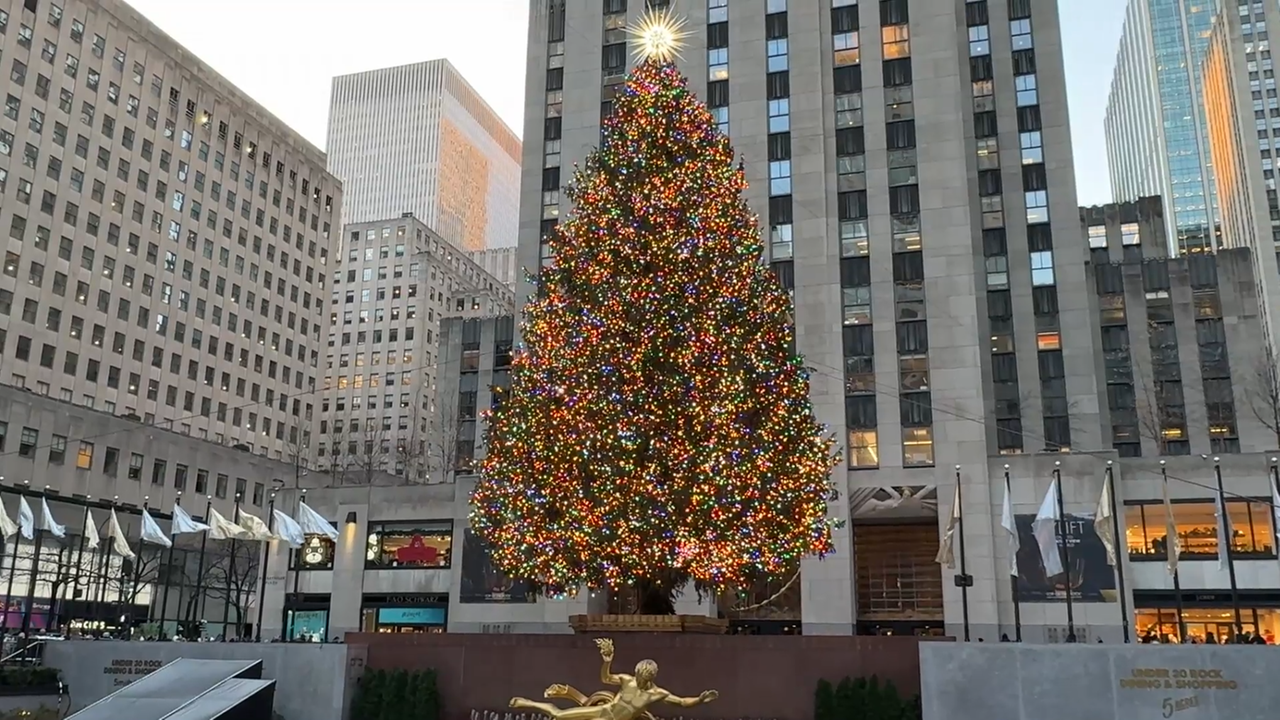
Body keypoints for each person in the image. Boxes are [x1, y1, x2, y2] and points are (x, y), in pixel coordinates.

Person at [509, 638, 717, 720]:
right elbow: (606, 678)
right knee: (561, 716)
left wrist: (699, 699)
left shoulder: (656, 694)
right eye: (638, 675)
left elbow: (681, 702)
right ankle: (529, 702)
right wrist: (607, 660)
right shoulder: (628, 680)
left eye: (643, 678)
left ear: (651, 676)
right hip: (603, 711)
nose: (640, 680)